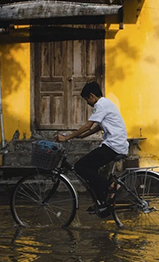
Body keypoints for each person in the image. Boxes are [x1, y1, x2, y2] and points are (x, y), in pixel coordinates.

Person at [55, 81, 128, 214]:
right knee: (92, 170)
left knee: (80, 167)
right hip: (117, 144)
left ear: (92, 96)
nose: (87, 103)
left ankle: (112, 186)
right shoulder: (107, 103)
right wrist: (82, 136)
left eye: (86, 99)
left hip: (113, 146)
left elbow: (88, 125)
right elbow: (99, 126)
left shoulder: (100, 105)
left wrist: (67, 137)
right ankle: (101, 203)